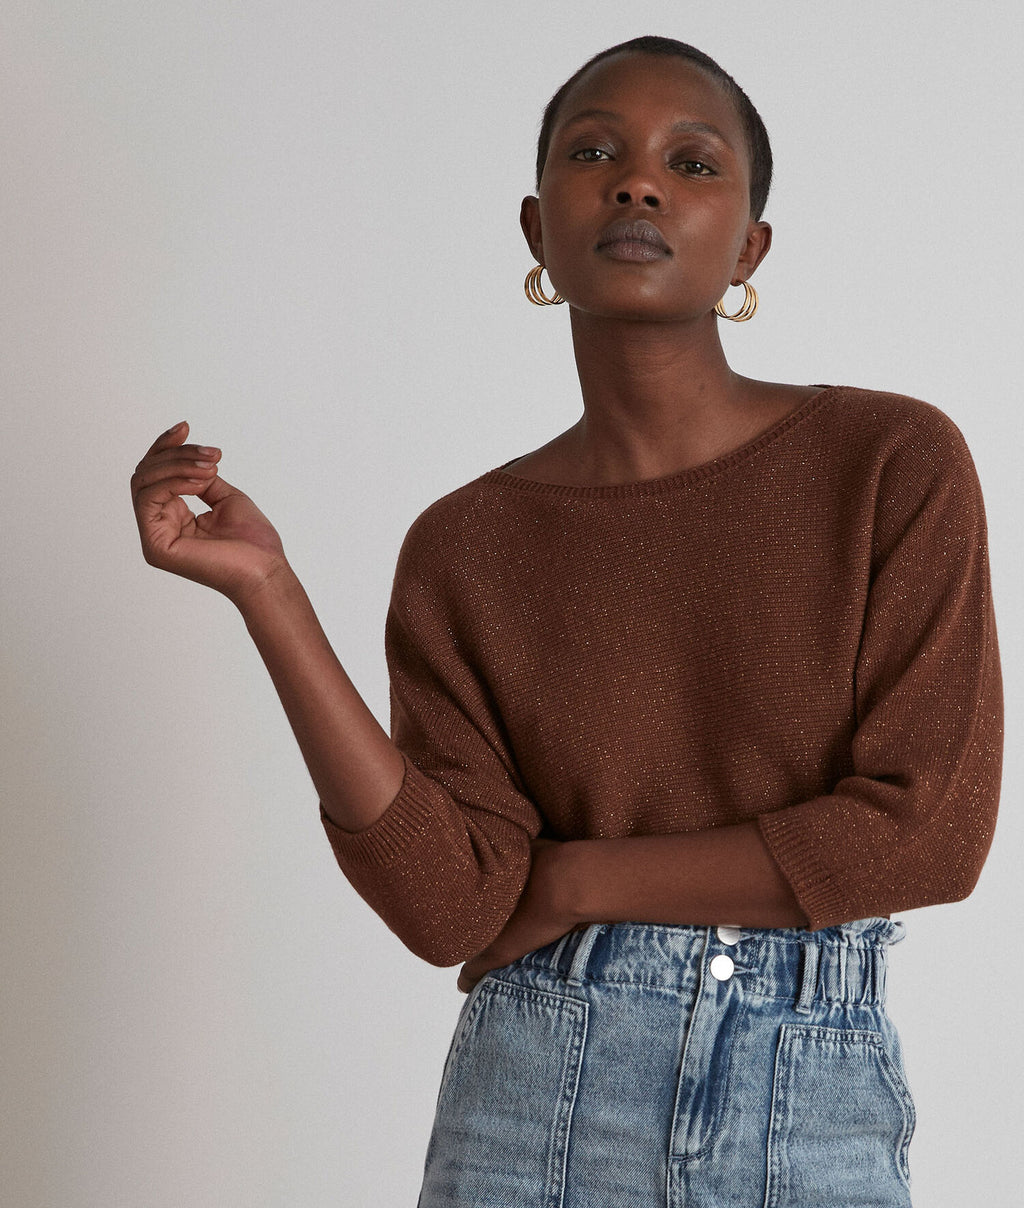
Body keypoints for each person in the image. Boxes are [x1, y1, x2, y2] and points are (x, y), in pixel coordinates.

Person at [131, 35, 1002, 1208]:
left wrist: (577, 880)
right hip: (533, 1094)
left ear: (749, 247)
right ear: (538, 229)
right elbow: (454, 905)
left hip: (805, 1101)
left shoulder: (889, 461)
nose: (637, 183)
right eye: (595, 153)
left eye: (691, 163)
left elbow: (925, 835)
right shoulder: (467, 543)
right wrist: (269, 592)